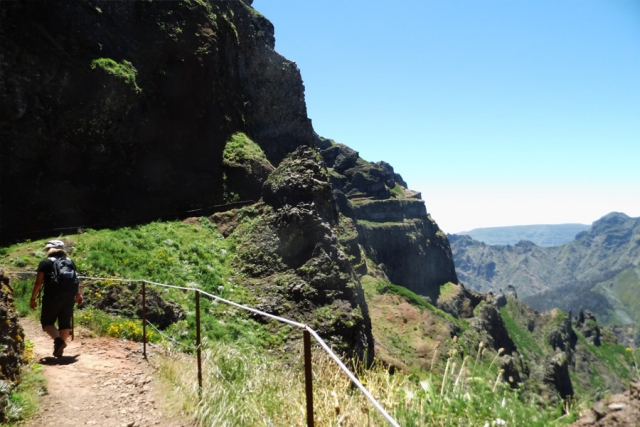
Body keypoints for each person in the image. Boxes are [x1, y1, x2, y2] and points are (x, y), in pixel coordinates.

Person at [30, 240, 83, 357]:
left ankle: (58, 341)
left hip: (52, 297)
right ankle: (60, 349)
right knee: (64, 322)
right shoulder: (69, 261)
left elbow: (38, 283)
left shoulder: (45, 263)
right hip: (69, 297)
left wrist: (33, 298)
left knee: (47, 322)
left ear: (50, 249)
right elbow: (76, 279)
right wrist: (78, 294)